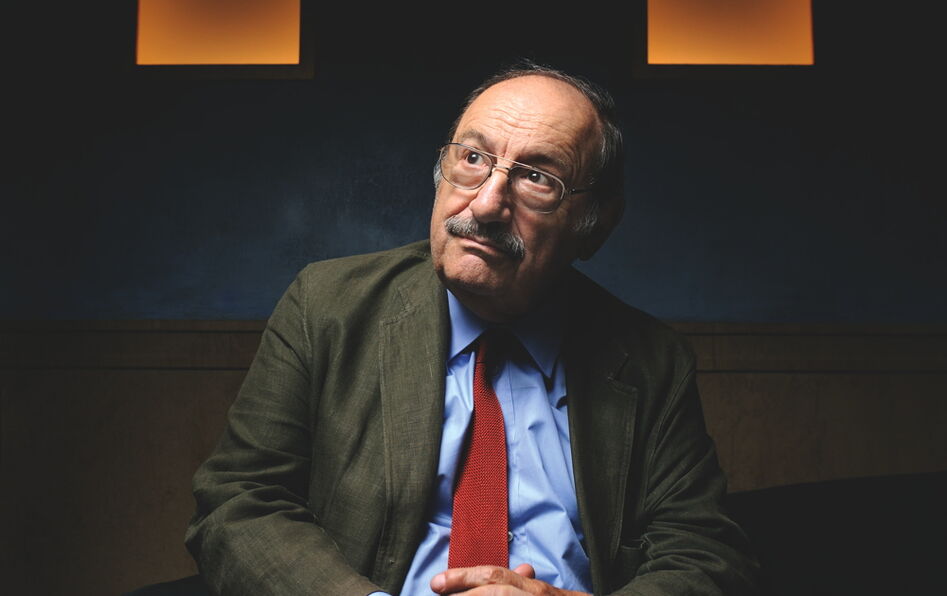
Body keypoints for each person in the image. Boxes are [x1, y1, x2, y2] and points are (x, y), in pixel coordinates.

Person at [185, 62, 759, 595]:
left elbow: (707, 555)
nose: (485, 205)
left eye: (536, 177)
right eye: (473, 158)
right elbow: (239, 502)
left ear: (595, 224)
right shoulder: (326, 305)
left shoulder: (653, 361)